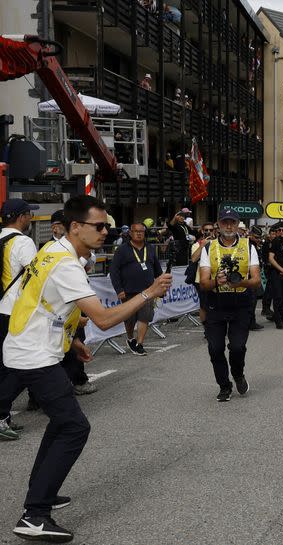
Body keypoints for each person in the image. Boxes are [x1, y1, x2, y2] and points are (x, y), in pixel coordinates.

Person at [0, 195, 172, 542]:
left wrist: (71, 339)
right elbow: (106, 319)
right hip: (33, 355)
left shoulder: (52, 250)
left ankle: (41, 492)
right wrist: (149, 293)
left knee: (63, 424)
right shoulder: (64, 263)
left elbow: (39, 301)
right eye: (99, 226)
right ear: (75, 227)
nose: (106, 232)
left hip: (32, 348)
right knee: (75, 428)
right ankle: (35, 514)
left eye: (107, 226)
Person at [198, 206, 261, 402]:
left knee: (237, 347)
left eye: (232, 222)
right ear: (218, 224)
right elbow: (204, 282)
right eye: (225, 221)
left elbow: (256, 279)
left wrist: (239, 282)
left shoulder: (249, 246)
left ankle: (238, 374)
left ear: (237, 224)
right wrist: (218, 281)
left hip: (241, 303)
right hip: (216, 303)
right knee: (215, 348)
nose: (228, 225)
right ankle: (224, 386)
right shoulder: (208, 248)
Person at [0, 199, 40, 431]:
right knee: (14, 367)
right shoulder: (23, 242)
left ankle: (4, 415)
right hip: (14, 313)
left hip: (0, 311)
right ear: (21, 217)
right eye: (28, 214)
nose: (30, 218)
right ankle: (1, 415)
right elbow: (34, 277)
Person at [109, 222, 163, 356]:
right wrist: (119, 289)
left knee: (144, 317)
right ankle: (130, 338)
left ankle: (140, 344)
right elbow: (114, 271)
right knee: (129, 319)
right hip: (128, 291)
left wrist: (162, 285)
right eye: (136, 231)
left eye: (142, 231)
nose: (139, 233)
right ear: (130, 233)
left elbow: (158, 270)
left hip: (147, 291)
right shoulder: (122, 250)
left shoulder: (150, 248)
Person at [190, 222, 215, 326]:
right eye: (206, 230)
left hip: (216, 278)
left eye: (210, 230)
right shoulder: (196, 245)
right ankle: (206, 328)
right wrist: (202, 246)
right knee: (204, 305)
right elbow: (194, 259)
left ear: (214, 231)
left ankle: (216, 325)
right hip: (201, 279)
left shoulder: (218, 244)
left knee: (216, 304)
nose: (208, 232)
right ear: (202, 231)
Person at [247, 226, 265, 331]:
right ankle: (250, 323)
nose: (258, 239)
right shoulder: (248, 245)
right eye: (256, 237)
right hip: (250, 276)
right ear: (251, 235)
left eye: (259, 237)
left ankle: (251, 322)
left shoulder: (255, 245)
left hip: (255, 275)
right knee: (251, 301)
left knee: (253, 300)